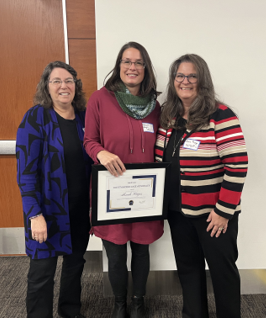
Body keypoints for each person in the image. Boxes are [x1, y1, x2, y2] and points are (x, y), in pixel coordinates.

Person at [155, 54, 248, 318]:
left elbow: (237, 164)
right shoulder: (168, 115)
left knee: (222, 271)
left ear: (202, 80)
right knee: (188, 269)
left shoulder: (220, 115)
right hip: (177, 211)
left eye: (191, 76)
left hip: (213, 215)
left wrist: (223, 210)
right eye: (179, 76)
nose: (185, 81)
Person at [84, 42, 163, 318]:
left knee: (141, 251)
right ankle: (120, 304)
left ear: (145, 68)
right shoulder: (100, 99)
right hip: (111, 191)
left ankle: (138, 302)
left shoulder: (155, 106)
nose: (132, 67)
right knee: (116, 254)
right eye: (127, 61)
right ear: (119, 66)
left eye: (138, 62)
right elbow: (89, 141)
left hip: (145, 192)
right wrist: (101, 152)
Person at [16, 61, 92, 318]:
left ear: (76, 86)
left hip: (80, 209)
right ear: (46, 87)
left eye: (69, 80)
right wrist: (34, 215)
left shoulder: (83, 117)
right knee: (42, 271)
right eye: (56, 81)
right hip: (46, 211)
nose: (63, 86)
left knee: (75, 265)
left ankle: (70, 310)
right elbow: (25, 173)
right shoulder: (36, 117)